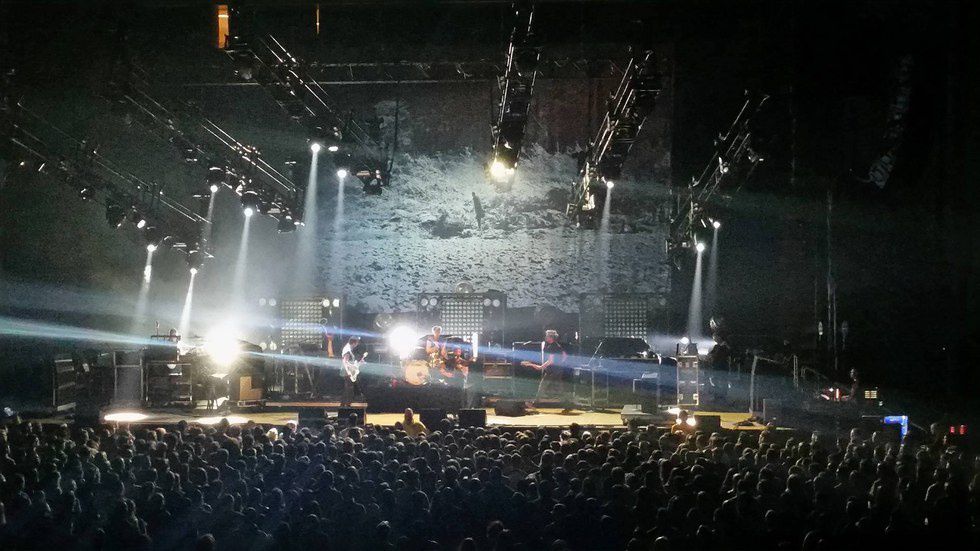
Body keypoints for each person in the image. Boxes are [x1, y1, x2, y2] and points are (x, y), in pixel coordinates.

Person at [524, 330, 571, 413]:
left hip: (551, 371)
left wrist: (541, 366)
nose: (545, 337)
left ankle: (534, 404)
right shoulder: (558, 346)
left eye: (547, 336)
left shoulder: (551, 347)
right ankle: (568, 405)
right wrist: (559, 364)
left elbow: (550, 361)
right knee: (559, 389)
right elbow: (565, 356)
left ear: (550, 337)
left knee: (542, 386)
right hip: (558, 370)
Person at [341, 336, 366, 407]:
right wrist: (349, 371)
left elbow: (348, 362)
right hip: (347, 372)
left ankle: (343, 405)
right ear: (354, 343)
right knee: (349, 390)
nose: (357, 344)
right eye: (357, 342)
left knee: (348, 389)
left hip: (347, 371)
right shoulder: (347, 350)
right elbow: (345, 362)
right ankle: (346, 406)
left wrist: (358, 363)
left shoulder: (348, 348)